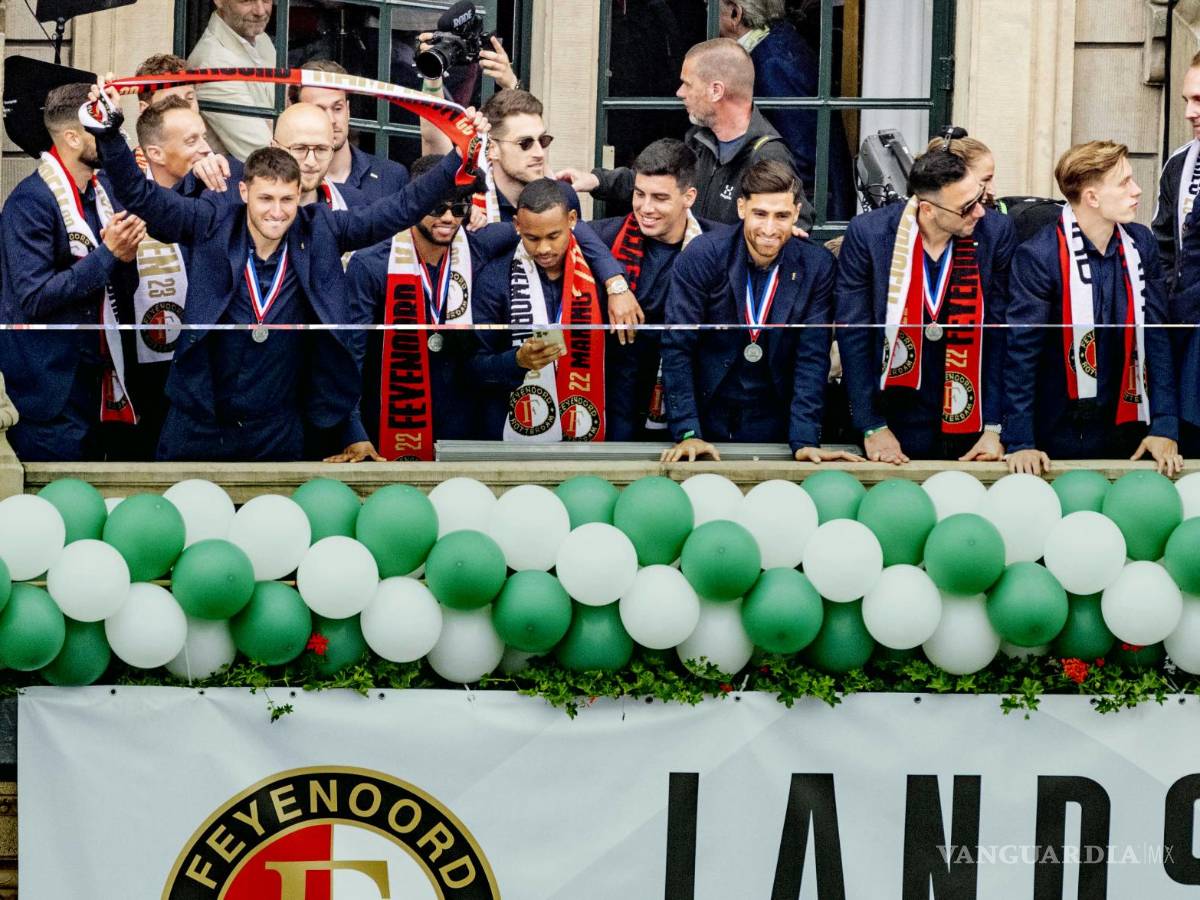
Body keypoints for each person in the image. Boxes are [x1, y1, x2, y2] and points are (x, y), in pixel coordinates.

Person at [88, 77, 487, 462]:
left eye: (286, 199)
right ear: (244, 192)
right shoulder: (211, 221)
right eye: (265, 198)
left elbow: (400, 208)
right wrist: (107, 132)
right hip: (199, 420)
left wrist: (458, 156)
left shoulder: (323, 230)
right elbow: (143, 197)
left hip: (279, 426)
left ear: (300, 196)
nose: (276, 212)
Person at [660, 160, 856, 463]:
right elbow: (677, 346)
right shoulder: (703, 254)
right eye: (760, 214)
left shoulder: (817, 266)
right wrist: (688, 431)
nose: (769, 228)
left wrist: (804, 438)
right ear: (741, 208)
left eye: (781, 216)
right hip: (705, 415)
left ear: (796, 213)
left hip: (778, 421)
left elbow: (812, 356)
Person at [1007, 141, 1182, 476]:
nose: (1137, 190)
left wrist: (1165, 425)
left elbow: (1157, 335)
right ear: (1091, 198)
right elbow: (1021, 356)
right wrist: (1020, 441)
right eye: (1124, 182)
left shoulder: (1140, 243)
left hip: (1129, 425)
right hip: (1059, 431)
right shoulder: (1038, 256)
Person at [342, 154, 534, 461]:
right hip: (390, 421)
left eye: (459, 208)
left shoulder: (478, 246)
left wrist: (613, 281)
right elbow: (351, 357)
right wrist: (354, 432)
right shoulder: (372, 265)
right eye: (436, 207)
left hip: (460, 429)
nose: (448, 218)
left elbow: (558, 221)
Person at [836, 148, 1016, 464]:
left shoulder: (996, 233)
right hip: (894, 416)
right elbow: (854, 336)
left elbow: (1002, 336)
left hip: (971, 420)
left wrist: (994, 427)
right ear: (928, 210)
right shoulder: (869, 234)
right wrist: (871, 425)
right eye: (967, 207)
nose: (979, 213)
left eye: (978, 198)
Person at [0, 83, 145, 461]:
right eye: (102, 131)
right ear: (73, 137)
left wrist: (124, 257)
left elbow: (118, 285)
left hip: (101, 378)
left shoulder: (104, 194)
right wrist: (109, 254)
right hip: (51, 388)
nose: (112, 140)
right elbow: (34, 296)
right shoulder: (30, 201)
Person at [558, 39, 814, 230]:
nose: (680, 92)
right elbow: (660, 183)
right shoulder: (699, 140)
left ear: (716, 90)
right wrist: (596, 180)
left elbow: (793, 226)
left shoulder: (767, 155)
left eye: (688, 84)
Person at [470, 178, 635, 442]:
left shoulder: (602, 278)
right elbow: (473, 366)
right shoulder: (493, 279)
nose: (544, 248)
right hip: (514, 436)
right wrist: (515, 362)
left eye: (553, 236)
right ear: (516, 226)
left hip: (593, 430)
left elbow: (622, 369)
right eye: (532, 238)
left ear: (572, 220)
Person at [591, 139, 713, 439]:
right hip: (618, 408)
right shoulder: (608, 235)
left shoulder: (715, 243)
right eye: (639, 194)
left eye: (659, 198)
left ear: (689, 197)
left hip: (689, 405)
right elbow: (565, 222)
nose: (645, 208)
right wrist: (616, 284)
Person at [718, 0, 855, 220]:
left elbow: (801, 152)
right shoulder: (776, 45)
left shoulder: (772, 62)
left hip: (803, 211)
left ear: (735, 14)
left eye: (711, 7)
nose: (706, 14)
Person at [288, 59, 410, 203]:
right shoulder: (286, 180)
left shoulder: (391, 176)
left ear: (348, 109)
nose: (331, 119)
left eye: (337, 108)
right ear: (296, 113)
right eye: (318, 110)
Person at [187, 0, 277, 161]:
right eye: (246, 1)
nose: (260, 10)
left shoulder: (262, 40)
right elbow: (263, 153)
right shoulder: (213, 63)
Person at [1153, 50, 1200, 289]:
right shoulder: (1178, 164)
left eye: (1199, 99)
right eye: (1187, 101)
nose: (1189, 113)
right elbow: (1164, 253)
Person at [272, 103, 364, 209]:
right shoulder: (249, 206)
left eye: (321, 149)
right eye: (300, 149)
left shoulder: (352, 203)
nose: (311, 162)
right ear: (274, 149)